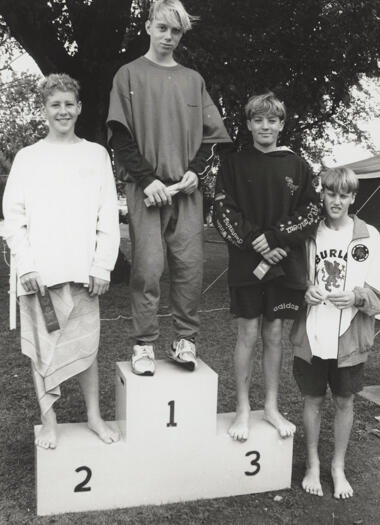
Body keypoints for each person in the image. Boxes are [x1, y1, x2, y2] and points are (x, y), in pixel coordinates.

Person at [107, 0, 231, 375]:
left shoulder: (194, 80)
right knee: (146, 268)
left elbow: (212, 136)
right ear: (148, 27)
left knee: (190, 267)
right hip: (147, 190)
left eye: (175, 31)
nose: (168, 36)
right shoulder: (127, 75)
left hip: (186, 191)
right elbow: (120, 136)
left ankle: (185, 341)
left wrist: (195, 171)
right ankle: (143, 345)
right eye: (162, 28)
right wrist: (148, 180)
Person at [3, 73, 120, 449]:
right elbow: (13, 217)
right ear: (44, 110)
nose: (63, 111)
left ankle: (94, 417)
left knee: (87, 348)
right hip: (40, 275)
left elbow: (107, 215)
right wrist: (28, 265)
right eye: (56, 104)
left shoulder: (96, 154)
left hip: (83, 273)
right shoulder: (27, 158)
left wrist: (102, 265)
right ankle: (48, 420)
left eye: (69, 103)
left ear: (80, 107)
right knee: (42, 352)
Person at [213, 92, 320, 441]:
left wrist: (276, 239)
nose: (265, 126)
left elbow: (310, 212)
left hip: (283, 263)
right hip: (246, 264)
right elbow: (221, 211)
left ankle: (271, 406)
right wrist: (253, 242)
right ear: (248, 124)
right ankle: (243, 407)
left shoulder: (299, 166)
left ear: (281, 124)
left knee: (273, 335)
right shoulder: (232, 163)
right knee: (247, 334)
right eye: (258, 120)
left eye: (272, 120)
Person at [291, 167, 380, 499]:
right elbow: (293, 278)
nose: (336, 201)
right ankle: (313, 463)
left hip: (350, 337)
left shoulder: (370, 237)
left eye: (344, 195)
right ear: (322, 194)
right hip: (312, 333)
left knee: (344, 401)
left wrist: (356, 296)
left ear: (353, 198)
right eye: (331, 194)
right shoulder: (308, 233)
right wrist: (304, 289)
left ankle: (337, 466)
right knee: (312, 399)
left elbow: (377, 294)